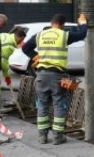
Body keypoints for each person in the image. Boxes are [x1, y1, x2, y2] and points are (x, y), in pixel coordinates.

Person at [21, 13, 87, 144]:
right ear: (62, 25)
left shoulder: (40, 35)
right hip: (56, 76)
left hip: (41, 76)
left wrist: (36, 56)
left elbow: (25, 47)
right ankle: (57, 136)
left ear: (51, 22)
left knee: (42, 105)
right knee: (59, 105)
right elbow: (82, 34)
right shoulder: (64, 35)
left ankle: (42, 136)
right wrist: (83, 22)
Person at [0, 27, 27, 114]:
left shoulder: (6, 35)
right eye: (22, 40)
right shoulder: (9, 46)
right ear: (19, 37)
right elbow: (3, 63)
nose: (21, 42)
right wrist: (7, 77)